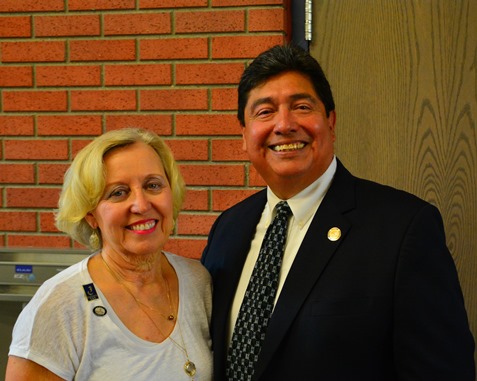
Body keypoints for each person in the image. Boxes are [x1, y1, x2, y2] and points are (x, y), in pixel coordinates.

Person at [201, 44, 475, 380]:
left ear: (330, 122)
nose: (284, 125)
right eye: (264, 112)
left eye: (302, 106)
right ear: (244, 135)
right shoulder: (227, 229)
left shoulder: (404, 230)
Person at [7, 128, 213, 381]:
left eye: (153, 185)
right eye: (118, 192)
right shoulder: (60, 305)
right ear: (91, 215)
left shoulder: (198, 281)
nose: (141, 204)